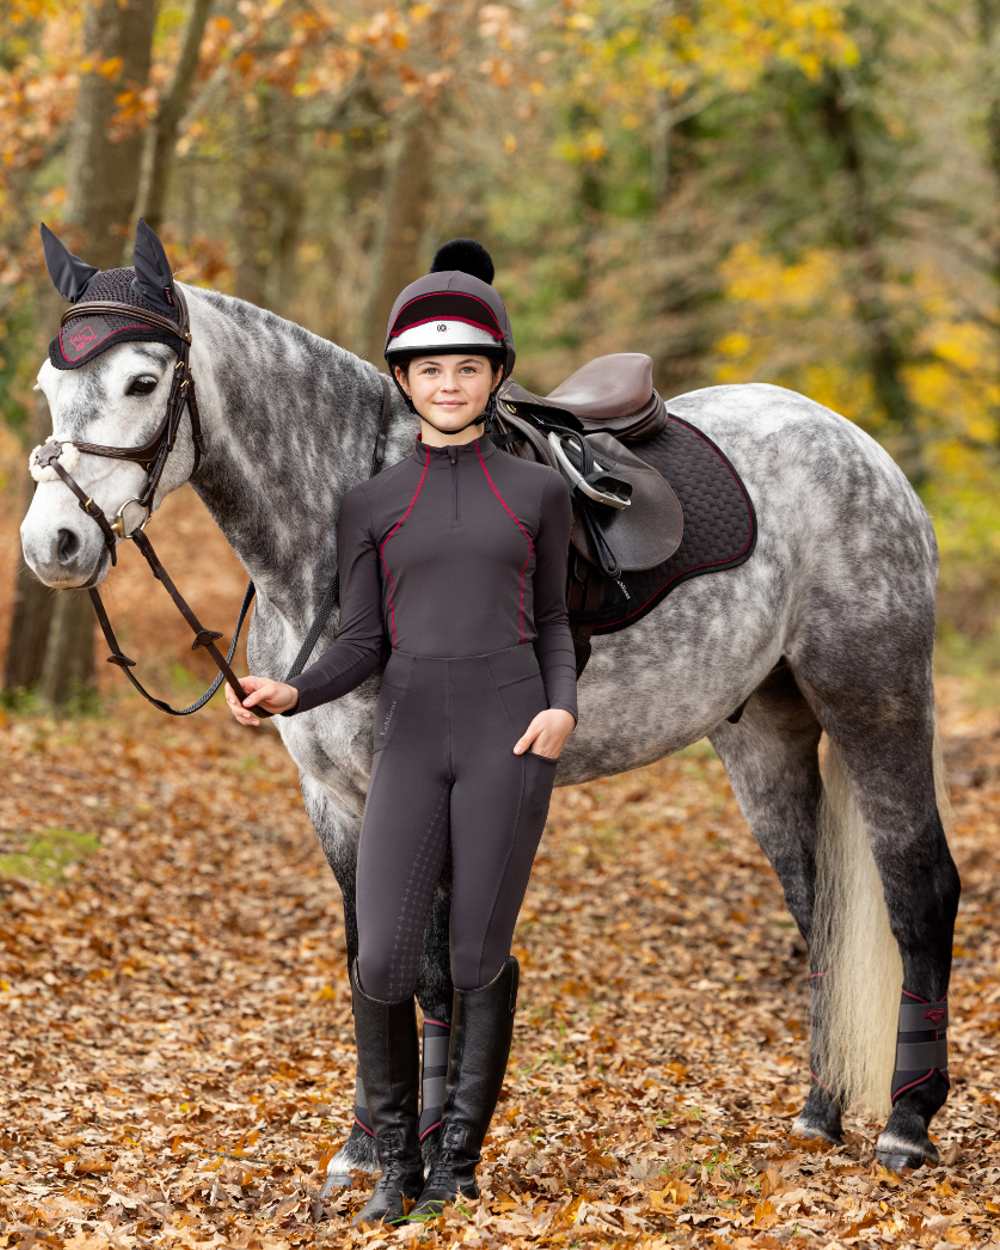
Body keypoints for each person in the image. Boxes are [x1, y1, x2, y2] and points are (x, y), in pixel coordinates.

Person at [225, 238, 578, 1225]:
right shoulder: (371, 504)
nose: (451, 382)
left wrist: (560, 706)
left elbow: (553, 620)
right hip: (411, 740)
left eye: (468, 367)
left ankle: (455, 1157)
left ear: (493, 376)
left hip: (512, 737)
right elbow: (363, 640)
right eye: (432, 369)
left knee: (472, 957)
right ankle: (392, 1161)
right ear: (405, 381)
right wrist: (291, 692)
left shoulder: (538, 493)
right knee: (380, 958)